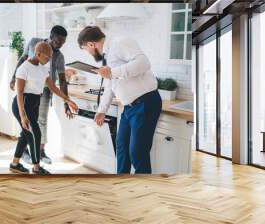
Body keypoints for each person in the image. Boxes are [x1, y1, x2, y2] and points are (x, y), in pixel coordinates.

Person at [77, 26, 162, 174]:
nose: (88, 53)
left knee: (138, 154)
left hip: (145, 103)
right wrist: (102, 110)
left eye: (86, 49)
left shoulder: (120, 42)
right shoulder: (107, 56)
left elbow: (143, 63)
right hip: (129, 108)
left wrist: (112, 72)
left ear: (91, 44)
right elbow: (110, 85)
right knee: (122, 150)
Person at [10, 42, 78, 174]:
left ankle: (14, 164)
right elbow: (19, 93)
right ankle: (36, 168)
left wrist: (68, 100)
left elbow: (52, 87)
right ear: (38, 54)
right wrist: (22, 115)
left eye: (50, 57)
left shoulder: (42, 68)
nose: (49, 60)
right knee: (35, 134)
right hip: (23, 104)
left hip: (35, 104)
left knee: (25, 135)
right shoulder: (23, 68)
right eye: (47, 57)